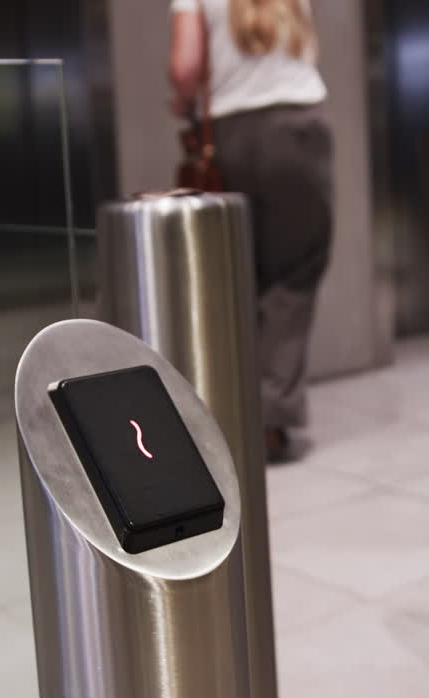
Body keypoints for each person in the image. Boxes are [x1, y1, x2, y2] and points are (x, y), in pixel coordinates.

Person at [168, 0, 333, 462]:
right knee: (293, 273)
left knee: (234, 271)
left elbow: (184, 67)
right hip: (301, 130)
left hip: (230, 134)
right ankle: (270, 420)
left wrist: (182, 102)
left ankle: (228, 412)